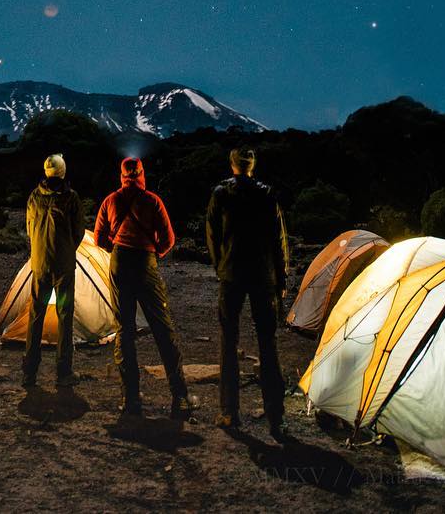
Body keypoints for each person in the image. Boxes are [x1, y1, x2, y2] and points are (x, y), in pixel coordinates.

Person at [94, 156, 194, 418]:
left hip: (119, 261)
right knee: (162, 327)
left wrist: (115, 248)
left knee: (124, 329)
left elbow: (98, 237)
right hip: (144, 261)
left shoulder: (110, 201)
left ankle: (130, 399)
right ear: (141, 174)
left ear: (122, 175)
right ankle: (180, 396)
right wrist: (154, 252)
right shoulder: (152, 201)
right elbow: (169, 238)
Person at [205, 146, 290, 441]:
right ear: (252, 166)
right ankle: (276, 415)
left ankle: (229, 411)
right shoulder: (266, 195)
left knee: (229, 341)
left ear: (232, 165)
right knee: (267, 343)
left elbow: (212, 235)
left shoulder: (220, 195)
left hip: (231, 276)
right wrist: (281, 277)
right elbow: (279, 240)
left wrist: (220, 266)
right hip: (262, 276)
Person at [23, 152, 86, 387]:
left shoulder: (34, 197)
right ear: (63, 172)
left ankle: (29, 372)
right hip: (63, 266)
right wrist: (66, 249)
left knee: (35, 316)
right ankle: (63, 372)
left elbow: (30, 230)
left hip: (39, 264)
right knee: (64, 316)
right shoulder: (70, 198)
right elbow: (78, 233)